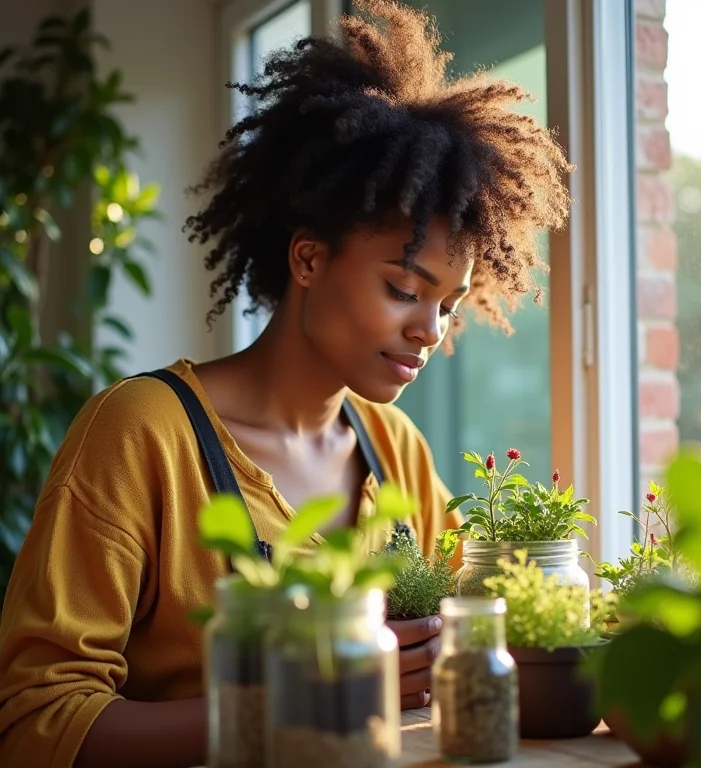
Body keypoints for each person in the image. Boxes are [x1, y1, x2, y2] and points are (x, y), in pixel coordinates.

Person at [0, 1, 570, 766]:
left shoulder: (394, 451)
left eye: (448, 303)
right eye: (404, 289)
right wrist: (295, 698)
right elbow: (37, 722)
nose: (430, 330)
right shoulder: (141, 434)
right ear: (307, 261)